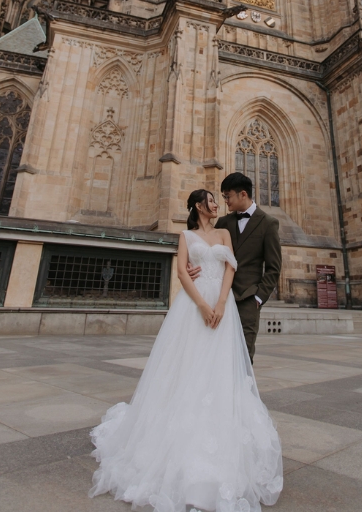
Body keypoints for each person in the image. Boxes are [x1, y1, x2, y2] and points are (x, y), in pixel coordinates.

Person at [89, 189, 283, 511]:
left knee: (221, 370)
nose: (216, 202)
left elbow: (231, 266)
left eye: (219, 198)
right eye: (210, 198)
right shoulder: (185, 235)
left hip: (223, 307)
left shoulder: (223, 230)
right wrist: (203, 305)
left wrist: (220, 303)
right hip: (194, 307)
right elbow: (181, 271)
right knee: (186, 366)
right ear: (198, 205)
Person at [186, 172, 283, 363]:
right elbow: (207, 251)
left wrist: (258, 297)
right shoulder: (223, 222)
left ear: (243, 195)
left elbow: (274, 267)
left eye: (227, 196)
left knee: (244, 355)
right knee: (216, 351)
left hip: (248, 298)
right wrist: (193, 266)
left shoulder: (269, 224)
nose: (225, 201)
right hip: (219, 296)